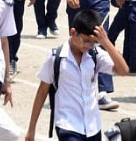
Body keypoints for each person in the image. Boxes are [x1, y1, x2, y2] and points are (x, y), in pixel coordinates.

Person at [25, 10, 129, 141]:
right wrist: (31, 129)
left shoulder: (95, 55)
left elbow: (124, 70)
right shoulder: (56, 58)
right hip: (68, 125)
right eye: (86, 41)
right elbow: (42, 93)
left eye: (93, 42)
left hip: (92, 126)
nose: (88, 46)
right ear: (73, 33)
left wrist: (106, 42)